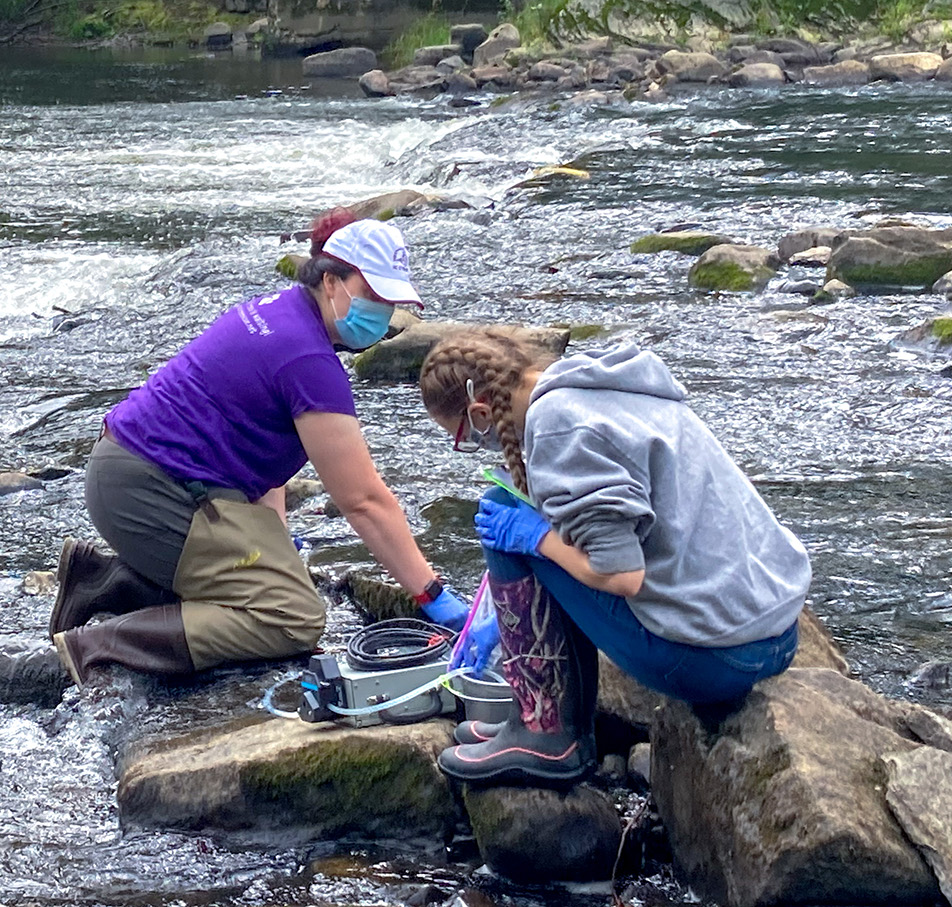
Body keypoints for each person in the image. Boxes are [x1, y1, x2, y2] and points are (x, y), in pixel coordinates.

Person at [49, 210, 472, 684]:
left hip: (135, 475)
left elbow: (267, 466)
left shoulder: (280, 313)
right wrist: (432, 594)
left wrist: (275, 549)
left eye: (389, 300)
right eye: (372, 295)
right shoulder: (307, 359)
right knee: (292, 617)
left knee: (273, 578)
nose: (381, 311)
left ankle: (106, 582)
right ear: (331, 281)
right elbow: (363, 501)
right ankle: (101, 648)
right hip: (151, 492)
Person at [417, 329, 811, 785]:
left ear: (481, 412)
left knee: (503, 511)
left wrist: (532, 539)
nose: (472, 447)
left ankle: (546, 734)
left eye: (464, 436)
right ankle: (538, 718)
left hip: (715, 662)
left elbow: (622, 576)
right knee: (525, 512)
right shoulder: (601, 385)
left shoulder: (560, 425)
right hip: (778, 633)